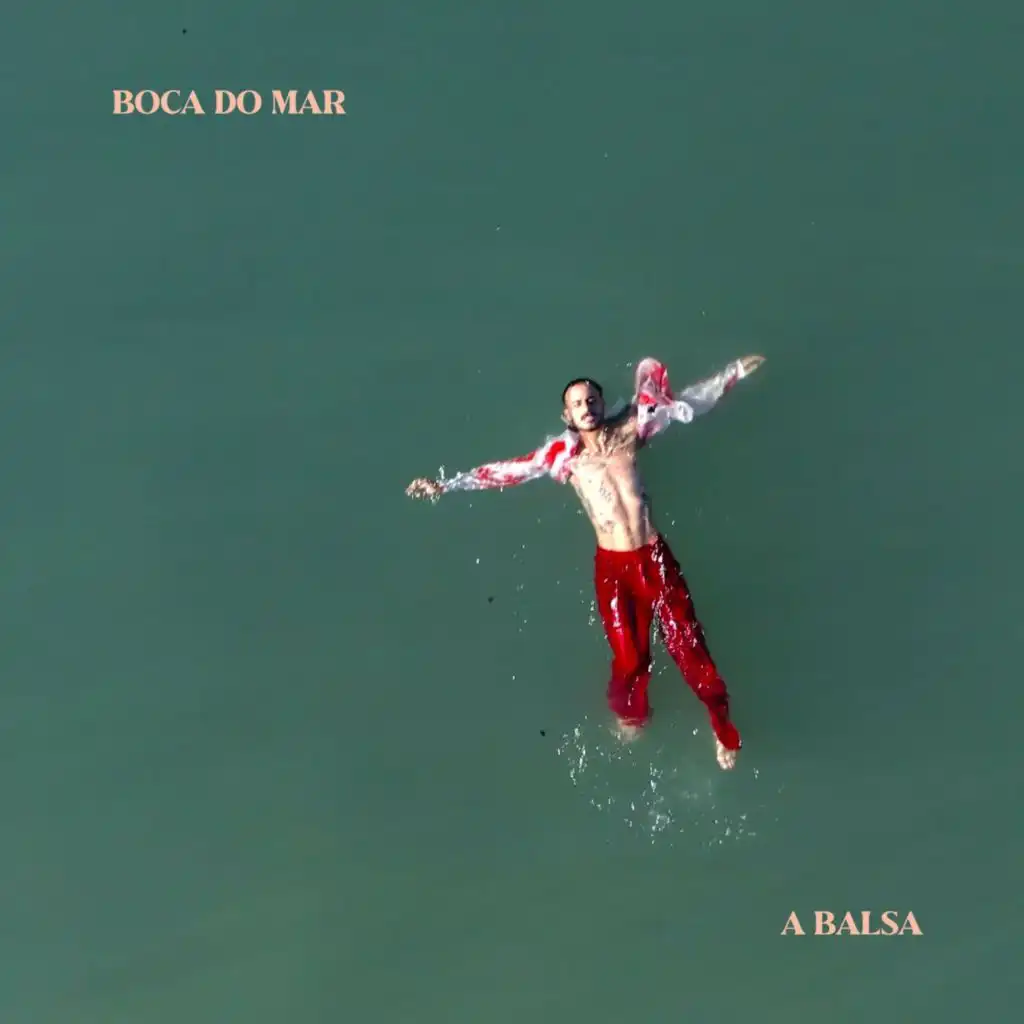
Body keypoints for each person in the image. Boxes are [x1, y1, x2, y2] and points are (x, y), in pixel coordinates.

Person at [406, 354, 765, 769]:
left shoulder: (633, 429)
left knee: (690, 648)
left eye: (592, 399)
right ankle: (633, 713)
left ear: (602, 403)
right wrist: (447, 485)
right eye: (577, 404)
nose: (586, 407)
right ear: (567, 415)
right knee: (629, 658)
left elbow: (690, 403)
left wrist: (733, 373)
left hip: (653, 558)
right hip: (612, 570)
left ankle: (723, 728)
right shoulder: (563, 457)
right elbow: (508, 471)